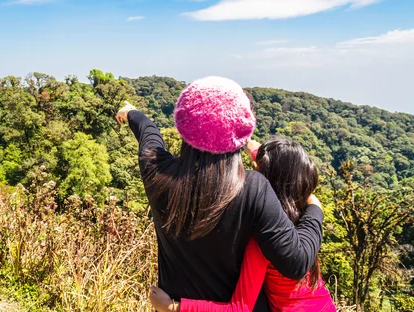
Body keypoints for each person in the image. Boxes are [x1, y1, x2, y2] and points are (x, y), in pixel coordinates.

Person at [116, 76, 324, 312]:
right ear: (241, 131)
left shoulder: (156, 171)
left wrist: (131, 112)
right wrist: (315, 210)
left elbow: (148, 133)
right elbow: (296, 262)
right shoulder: (253, 188)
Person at [148, 137, 336, 312]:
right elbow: (281, 172)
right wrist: (243, 140)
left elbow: (238, 308)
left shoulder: (261, 243)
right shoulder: (301, 217)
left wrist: (173, 306)